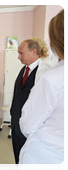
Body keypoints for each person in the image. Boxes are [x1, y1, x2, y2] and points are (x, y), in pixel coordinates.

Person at [19, 8, 66, 170]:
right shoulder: (25, 69)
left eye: (21, 53)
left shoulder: (51, 77)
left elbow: (27, 125)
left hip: (47, 155)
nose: (18, 57)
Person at [10, 37, 53, 169]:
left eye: (21, 53)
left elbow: (44, 104)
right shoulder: (22, 70)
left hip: (32, 124)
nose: (18, 57)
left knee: (30, 154)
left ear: (34, 52)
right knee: (17, 149)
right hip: (17, 120)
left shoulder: (45, 72)